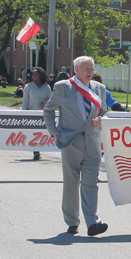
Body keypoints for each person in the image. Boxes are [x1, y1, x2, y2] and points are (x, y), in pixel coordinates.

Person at [43, 56, 109, 237]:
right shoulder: (63, 87)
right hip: (71, 142)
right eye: (86, 69)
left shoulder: (99, 88)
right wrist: (54, 131)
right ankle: (72, 221)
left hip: (93, 142)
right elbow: (48, 110)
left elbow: (104, 111)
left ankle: (92, 222)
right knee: (71, 183)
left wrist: (101, 121)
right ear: (76, 70)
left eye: (92, 69)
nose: (90, 72)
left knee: (91, 183)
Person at [22, 67, 52, 160]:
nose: (34, 76)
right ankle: (36, 151)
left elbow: (51, 101)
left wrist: (46, 104)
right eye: (33, 74)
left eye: (36, 74)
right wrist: (23, 113)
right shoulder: (29, 87)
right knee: (33, 132)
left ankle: (41, 146)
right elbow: (25, 101)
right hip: (32, 113)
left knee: (42, 132)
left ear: (41, 75)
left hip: (43, 114)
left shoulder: (46, 87)